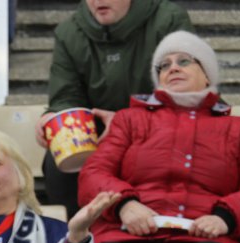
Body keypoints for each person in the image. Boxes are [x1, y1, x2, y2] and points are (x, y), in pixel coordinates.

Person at [76, 31, 240, 243]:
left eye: (184, 61)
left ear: (207, 75)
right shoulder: (129, 119)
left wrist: (225, 218)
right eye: (164, 65)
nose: (173, 68)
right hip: (130, 234)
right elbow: (94, 173)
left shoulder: (239, 128)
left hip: (203, 237)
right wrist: (124, 205)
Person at [40, 0, 191, 216]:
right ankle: (75, 230)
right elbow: (66, 96)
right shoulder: (69, 32)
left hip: (160, 123)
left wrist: (126, 121)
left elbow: (188, 88)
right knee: (59, 157)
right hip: (100, 130)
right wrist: (53, 117)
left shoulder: (169, 20)